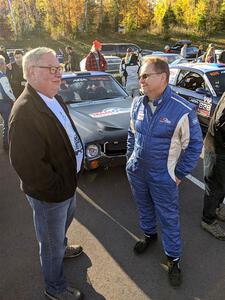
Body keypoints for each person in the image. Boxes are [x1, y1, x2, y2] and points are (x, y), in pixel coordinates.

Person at [8, 47, 84, 300]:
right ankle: (55, 288)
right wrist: (58, 189)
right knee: (49, 244)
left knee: (61, 227)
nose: (58, 73)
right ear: (31, 72)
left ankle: (61, 248)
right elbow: (29, 167)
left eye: (59, 67)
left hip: (67, 184)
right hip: (51, 194)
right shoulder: (25, 112)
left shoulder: (54, 97)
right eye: (51, 69)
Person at [126, 57, 203, 287]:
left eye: (145, 75)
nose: (141, 80)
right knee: (144, 207)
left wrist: (178, 175)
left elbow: (194, 146)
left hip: (164, 177)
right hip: (137, 171)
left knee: (168, 217)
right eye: (140, 75)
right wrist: (130, 159)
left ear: (163, 77)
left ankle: (174, 258)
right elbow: (131, 134)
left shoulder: (182, 110)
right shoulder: (137, 103)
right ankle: (149, 235)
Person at [201, 93, 225, 240]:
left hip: (220, 148)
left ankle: (217, 209)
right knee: (215, 187)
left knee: (222, 185)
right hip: (217, 150)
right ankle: (208, 220)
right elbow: (220, 124)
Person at [0, 55, 15, 150]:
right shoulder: (2, 76)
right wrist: (15, 100)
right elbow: (7, 92)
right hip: (4, 102)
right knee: (7, 123)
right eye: (4, 63)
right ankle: (6, 144)